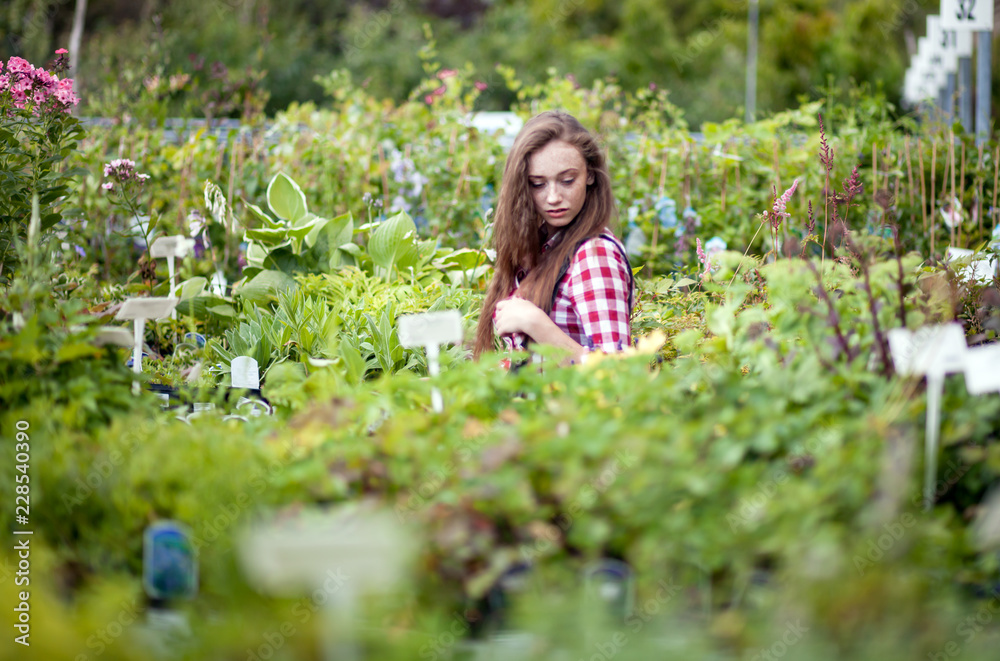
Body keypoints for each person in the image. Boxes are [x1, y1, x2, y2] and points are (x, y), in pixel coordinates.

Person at [473, 110, 634, 363]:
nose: (553, 197)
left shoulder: (594, 255)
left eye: (567, 180)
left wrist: (537, 324)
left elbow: (618, 374)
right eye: (538, 184)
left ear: (590, 175)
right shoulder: (541, 246)